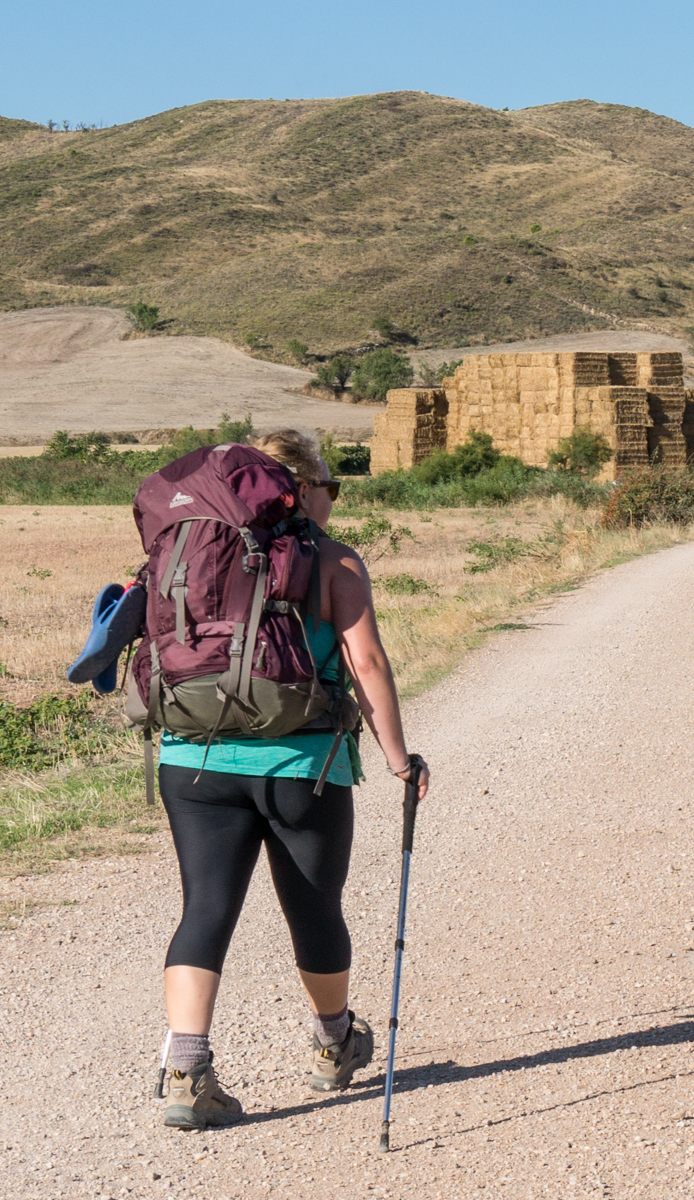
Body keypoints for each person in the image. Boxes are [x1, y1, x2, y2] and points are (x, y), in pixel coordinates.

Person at [155, 429, 431, 1131]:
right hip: (302, 766)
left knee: (205, 908)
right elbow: (366, 665)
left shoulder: (185, 548)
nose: (332, 501)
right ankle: (334, 1042)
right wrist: (400, 759)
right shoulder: (332, 560)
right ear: (301, 489)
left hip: (192, 758)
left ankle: (186, 1071)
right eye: (329, 487)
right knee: (313, 910)